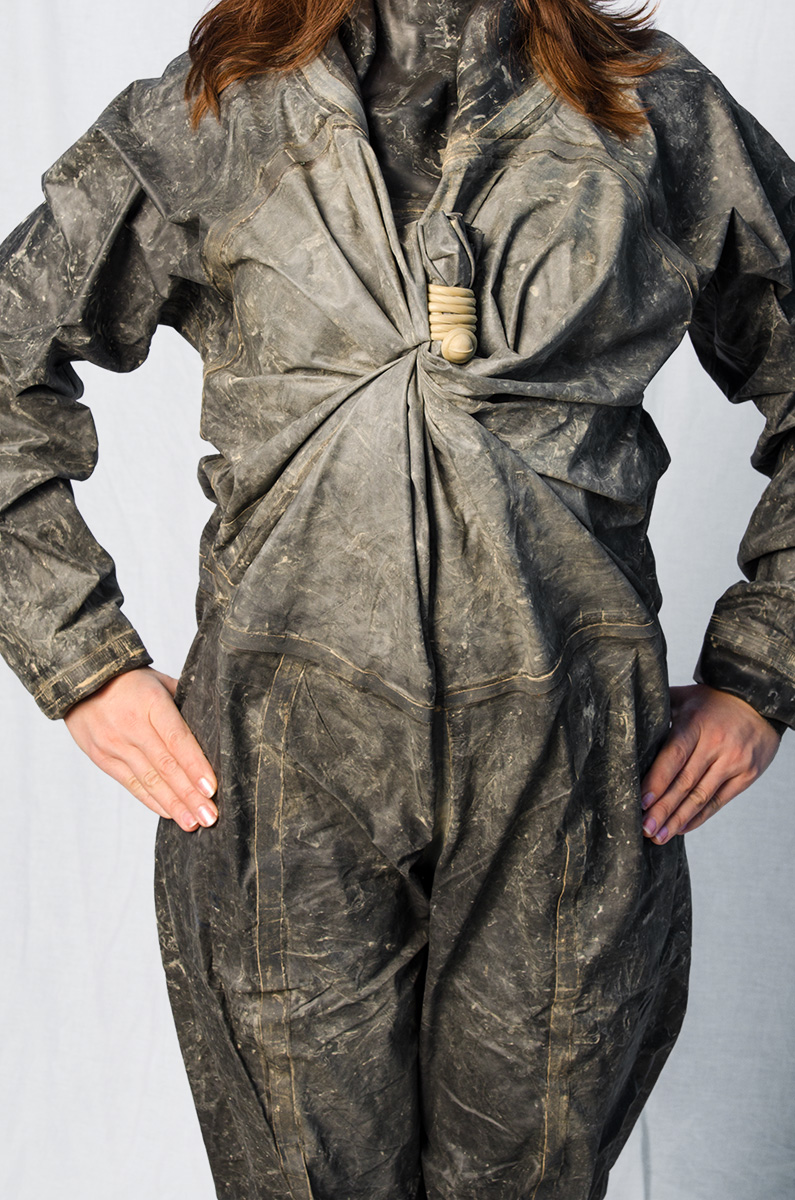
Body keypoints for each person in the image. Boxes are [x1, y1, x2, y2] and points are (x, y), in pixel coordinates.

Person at [0, 1, 792, 1197]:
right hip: (282, 788)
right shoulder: (219, 114)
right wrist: (82, 662)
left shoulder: (651, 114)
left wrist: (764, 668)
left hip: (567, 782)